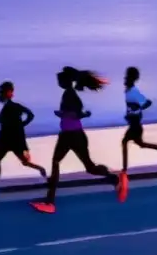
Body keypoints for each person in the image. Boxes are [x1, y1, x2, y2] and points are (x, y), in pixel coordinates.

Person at [29, 68, 122, 214]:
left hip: (72, 135)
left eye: (59, 80)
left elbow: (74, 113)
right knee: (85, 167)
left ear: (65, 81)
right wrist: (81, 114)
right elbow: (78, 113)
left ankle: (50, 202)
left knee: (69, 165)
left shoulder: (69, 94)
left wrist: (62, 113)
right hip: (70, 134)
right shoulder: (70, 93)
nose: (58, 83)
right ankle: (113, 177)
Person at [0, 82, 46, 202]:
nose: (2, 94)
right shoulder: (12, 107)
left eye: (4, 92)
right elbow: (26, 116)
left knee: (13, 161)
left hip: (10, 140)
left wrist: (18, 124)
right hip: (9, 139)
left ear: (9, 93)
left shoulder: (13, 107)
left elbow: (17, 120)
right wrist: (20, 125)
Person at [122, 67, 157, 177]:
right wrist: (131, 112)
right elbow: (132, 106)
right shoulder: (129, 89)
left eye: (127, 76)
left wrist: (137, 109)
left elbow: (147, 103)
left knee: (126, 142)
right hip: (134, 122)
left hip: (135, 124)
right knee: (140, 144)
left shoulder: (134, 91)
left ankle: (124, 169)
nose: (124, 78)